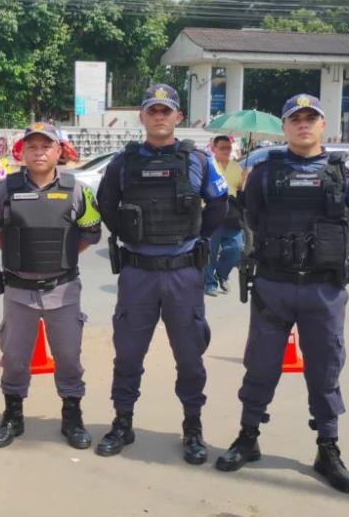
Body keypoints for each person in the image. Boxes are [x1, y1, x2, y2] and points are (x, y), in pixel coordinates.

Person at [216, 94, 349, 494]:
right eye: (295, 119)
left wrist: (329, 252)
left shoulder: (347, 171)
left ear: (323, 125)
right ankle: (248, 437)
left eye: (311, 118)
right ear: (285, 127)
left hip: (324, 287)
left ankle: (328, 448)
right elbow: (247, 215)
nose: (303, 125)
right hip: (274, 285)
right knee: (260, 365)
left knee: (324, 368)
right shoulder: (264, 169)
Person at [95, 84, 228, 464]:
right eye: (152, 110)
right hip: (138, 273)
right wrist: (129, 235)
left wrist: (199, 238)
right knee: (128, 354)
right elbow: (106, 204)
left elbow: (219, 204)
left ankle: (192, 427)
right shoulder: (123, 163)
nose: (159, 116)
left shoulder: (199, 161)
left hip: (183, 274)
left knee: (189, 356)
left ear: (177, 117)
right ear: (142, 117)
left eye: (165, 111)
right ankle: (123, 422)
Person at [0, 122, 102, 451]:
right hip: (19, 292)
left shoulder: (78, 190)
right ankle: (12, 415)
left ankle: (72, 416)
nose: (38, 152)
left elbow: (90, 234)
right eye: (31, 146)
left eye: (46, 146)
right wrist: (16, 254)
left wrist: (60, 257)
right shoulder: (5, 188)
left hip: (63, 290)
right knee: (15, 358)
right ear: (22, 151)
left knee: (68, 357)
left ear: (58, 151)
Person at [204, 135, 244, 297]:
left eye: (228, 148)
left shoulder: (236, 167)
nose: (226, 151)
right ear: (213, 149)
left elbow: (241, 189)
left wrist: (246, 179)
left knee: (236, 249)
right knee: (210, 252)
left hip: (232, 216)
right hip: (212, 215)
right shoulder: (208, 166)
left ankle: (222, 274)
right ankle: (209, 283)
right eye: (222, 148)